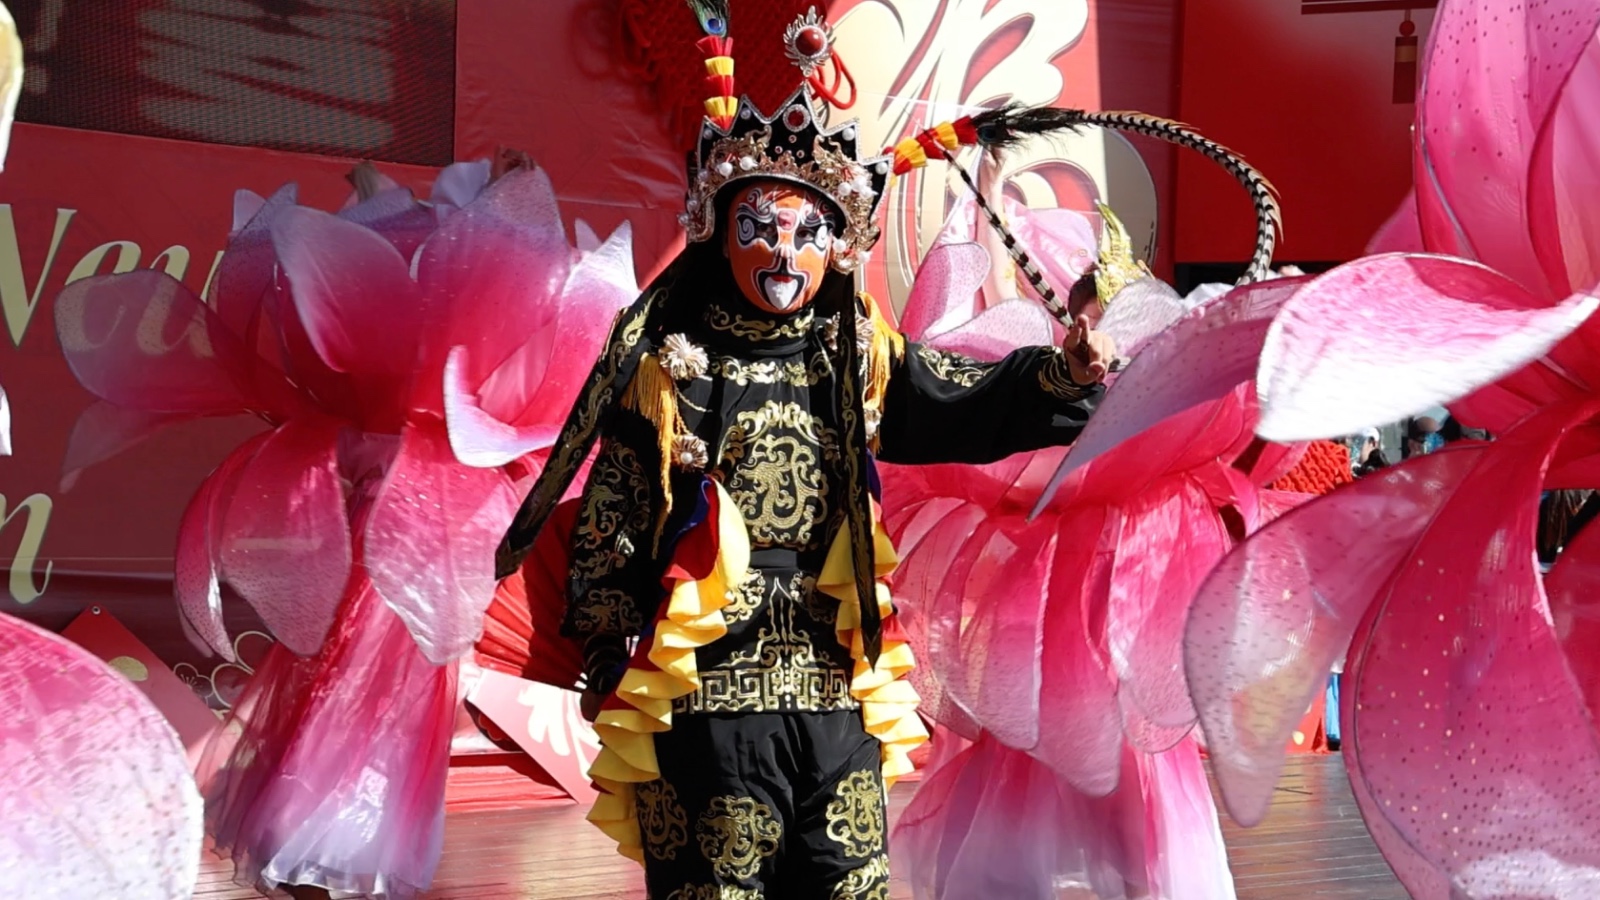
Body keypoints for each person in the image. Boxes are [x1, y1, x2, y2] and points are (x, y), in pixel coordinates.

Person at [491, 13, 1116, 896]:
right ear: (718, 230)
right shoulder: (671, 364)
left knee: (848, 880)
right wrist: (602, 644)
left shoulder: (858, 350)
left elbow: (961, 400)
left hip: (835, 679)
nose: (784, 251)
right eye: (761, 226)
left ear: (838, 245)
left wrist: (1060, 372)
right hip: (708, 687)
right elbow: (619, 504)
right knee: (724, 882)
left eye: (806, 231)